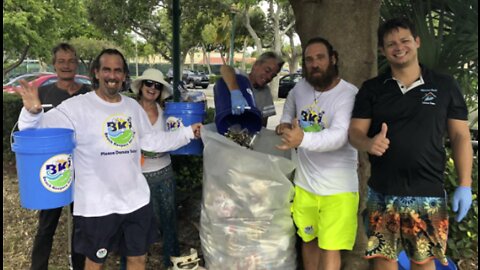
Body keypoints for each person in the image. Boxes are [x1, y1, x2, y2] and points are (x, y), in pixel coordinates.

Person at [16, 48, 202, 270]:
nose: (112, 76)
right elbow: (33, 131)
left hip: (136, 200)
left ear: (124, 76)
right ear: (96, 72)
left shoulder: (132, 107)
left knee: (138, 259)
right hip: (96, 205)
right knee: (94, 264)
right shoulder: (76, 108)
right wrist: (32, 112)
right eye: (106, 70)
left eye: (117, 71)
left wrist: (189, 132)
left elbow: (152, 141)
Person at [348, 17, 473, 270]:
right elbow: (355, 133)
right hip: (382, 191)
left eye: (404, 40)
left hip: (427, 192)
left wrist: (465, 184)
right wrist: (368, 143)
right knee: (383, 260)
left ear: (416, 42)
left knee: (424, 261)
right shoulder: (372, 89)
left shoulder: (445, 86)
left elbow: (460, 136)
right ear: (383, 50)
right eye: (390, 43)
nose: (399, 47)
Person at [275, 37, 359, 270]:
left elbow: (340, 136)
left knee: (329, 247)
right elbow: (290, 103)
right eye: (309, 60)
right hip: (305, 185)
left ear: (333, 59)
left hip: (338, 190)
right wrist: (284, 123)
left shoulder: (348, 94)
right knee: (308, 240)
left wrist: (302, 138)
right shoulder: (300, 88)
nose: (314, 64)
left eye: (320, 58)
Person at [30, 42, 89, 270]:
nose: (66, 65)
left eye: (71, 61)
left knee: (81, 223)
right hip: (52, 169)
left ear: (77, 64)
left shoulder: (88, 94)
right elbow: (30, 130)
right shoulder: (42, 93)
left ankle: (79, 264)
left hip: (83, 170)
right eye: (61, 61)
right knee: (47, 224)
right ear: (54, 65)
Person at [118, 68, 180, 269]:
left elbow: (175, 139)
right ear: (141, 87)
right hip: (135, 177)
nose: (152, 88)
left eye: (157, 86)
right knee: (130, 224)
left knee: (168, 222)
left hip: (163, 174)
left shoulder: (168, 114)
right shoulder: (127, 111)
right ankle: (126, 264)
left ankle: (172, 263)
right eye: (149, 84)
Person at [220, 51, 285, 127]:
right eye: (267, 71)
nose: (269, 77)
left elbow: (262, 125)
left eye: (273, 75)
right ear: (256, 65)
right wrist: (235, 92)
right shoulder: (239, 76)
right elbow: (224, 69)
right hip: (223, 127)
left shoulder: (266, 92)